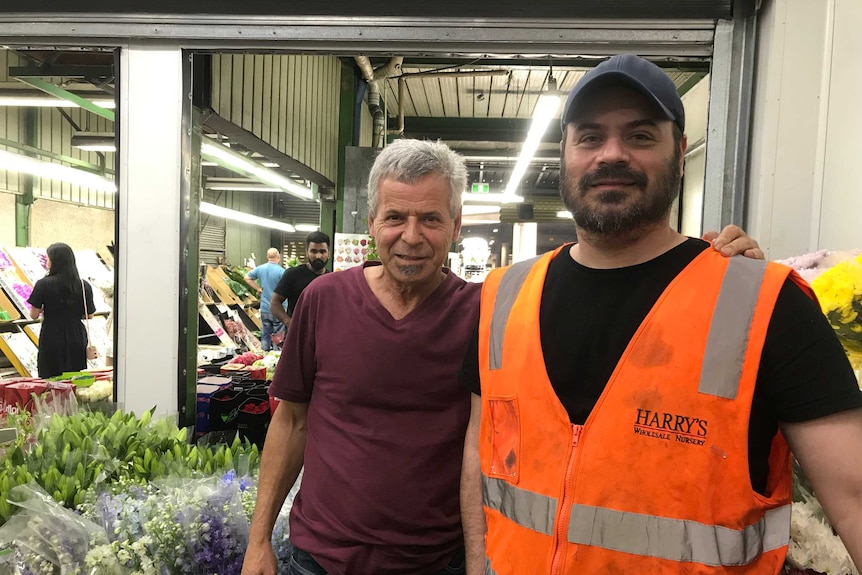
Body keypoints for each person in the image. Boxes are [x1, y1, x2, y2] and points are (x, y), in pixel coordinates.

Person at [241, 139, 762, 575]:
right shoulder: (323, 299)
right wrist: (258, 538)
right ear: (372, 220)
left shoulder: (489, 309)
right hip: (320, 558)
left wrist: (704, 269)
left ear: (456, 225)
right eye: (395, 217)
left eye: (431, 218)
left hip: (438, 561)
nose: (411, 236)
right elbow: (291, 422)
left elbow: (606, 313)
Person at [459, 54, 862, 575]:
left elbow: (853, 494)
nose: (612, 154)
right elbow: (481, 453)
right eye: (589, 136)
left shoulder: (764, 305)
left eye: (641, 136)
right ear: (564, 154)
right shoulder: (503, 296)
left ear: (679, 151)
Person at [26, 242, 96, 378]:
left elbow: (34, 315)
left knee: (50, 376)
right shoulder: (83, 285)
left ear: (54, 260)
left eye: (48, 258)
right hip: (76, 334)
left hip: (51, 334)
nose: (47, 261)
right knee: (75, 376)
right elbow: (90, 315)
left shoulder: (43, 284)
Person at [270, 231, 330, 330]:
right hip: (297, 338)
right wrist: (289, 323)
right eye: (313, 251)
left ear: (329, 254)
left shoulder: (331, 279)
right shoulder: (293, 275)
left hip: (322, 337)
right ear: (307, 252)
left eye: (322, 252)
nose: (318, 256)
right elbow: (274, 303)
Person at [244, 248, 285, 351]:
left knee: (265, 334)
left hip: (265, 308)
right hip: (278, 310)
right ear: (278, 257)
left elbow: (247, 278)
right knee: (278, 336)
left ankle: (264, 355)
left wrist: (258, 288)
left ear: (267, 257)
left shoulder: (260, 269)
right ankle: (276, 357)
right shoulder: (281, 271)